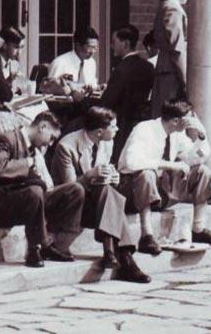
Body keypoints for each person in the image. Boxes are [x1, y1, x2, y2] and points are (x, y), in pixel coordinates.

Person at [50, 105, 150, 282]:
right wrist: (90, 175)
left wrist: (112, 177)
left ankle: (114, 252)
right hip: (70, 207)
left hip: (98, 204)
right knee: (110, 196)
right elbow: (70, 189)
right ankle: (123, 256)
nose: (118, 129)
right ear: (99, 131)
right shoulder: (66, 146)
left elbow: (103, 173)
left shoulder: (106, 142)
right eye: (113, 126)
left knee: (109, 191)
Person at [0, 110, 84, 268]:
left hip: (25, 199)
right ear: (42, 127)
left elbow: (40, 183)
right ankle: (36, 248)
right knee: (35, 192)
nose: (51, 143)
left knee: (75, 190)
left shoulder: (34, 149)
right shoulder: (6, 139)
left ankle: (59, 245)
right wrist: (28, 163)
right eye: (51, 137)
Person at [117, 98, 211, 255]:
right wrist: (171, 165)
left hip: (161, 190)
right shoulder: (144, 129)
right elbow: (132, 162)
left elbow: (194, 159)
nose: (191, 122)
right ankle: (146, 235)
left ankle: (198, 228)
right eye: (189, 118)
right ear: (176, 120)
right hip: (132, 191)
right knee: (146, 173)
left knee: (203, 171)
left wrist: (202, 137)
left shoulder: (176, 135)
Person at [100, 24, 155, 161]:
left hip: (121, 126)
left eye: (114, 42)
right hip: (140, 124)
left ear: (125, 44)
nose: (112, 46)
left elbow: (106, 102)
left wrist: (81, 99)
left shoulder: (121, 69)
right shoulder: (148, 67)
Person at [150, 0, 189, 116]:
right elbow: (177, 48)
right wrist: (185, 80)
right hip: (172, 72)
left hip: (166, 69)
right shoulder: (173, 9)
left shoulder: (164, 6)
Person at [45, 27, 100, 96]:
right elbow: (48, 91)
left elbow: (92, 85)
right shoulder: (60, 63)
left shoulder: (91, 63)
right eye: (90, 47)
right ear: (78, 45)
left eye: (95, 48)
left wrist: (96, 88)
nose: (93, 52)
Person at [0, 25, 26, 95]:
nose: (19, 52)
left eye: (22, 47)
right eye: (16, 47)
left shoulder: (13, 62)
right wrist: (11, 79)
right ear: (4, 45)